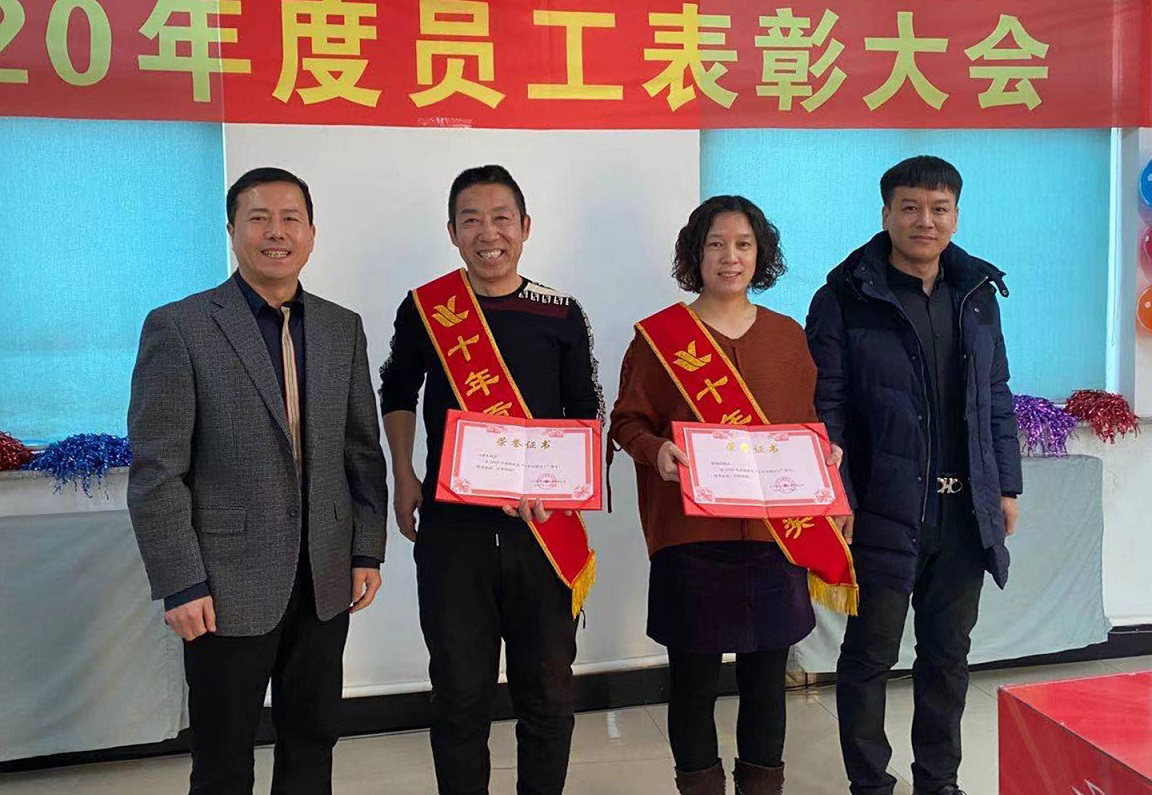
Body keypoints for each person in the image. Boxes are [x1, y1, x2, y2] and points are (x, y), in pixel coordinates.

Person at [127, 167, 390, 795]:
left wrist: (366, 549)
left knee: (313, 742)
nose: (277, 232)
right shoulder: (180, 326)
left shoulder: (341, 327)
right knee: (222, 758)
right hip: (223, 583)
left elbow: (361, 450)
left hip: (325, 577)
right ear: (232, 231)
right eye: (259, 218)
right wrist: (181, 582)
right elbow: (157, 470)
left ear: (311, 233)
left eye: (290, 218)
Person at [610, 195, 849, 795]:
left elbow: (807, 428)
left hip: (774, 540)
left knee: (767, 683)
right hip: (690, 540)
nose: (730, 257)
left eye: (743, 244)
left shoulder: (788, 338)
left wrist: (826, 467)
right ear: (696, 254)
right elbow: (627, 422)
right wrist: (656, 451)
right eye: (716, 244)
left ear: (760, 254)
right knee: (692, 684)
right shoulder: (658, 339)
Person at [378, 164, 602, 795]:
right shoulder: (427, 308)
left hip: (543, 531)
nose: (488, 233)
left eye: (501, 218)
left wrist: (563, 488)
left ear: (525, 227)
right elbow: (396, 391)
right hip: (453, 532)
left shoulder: (561, 313)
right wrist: (403, 472)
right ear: (452, 232)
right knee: (458, 695)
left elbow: (587, 412)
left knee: (548, 695)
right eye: (470, 219)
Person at [805, 156, 1022, 795]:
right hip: (883, 505)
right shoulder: (845, 297)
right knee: (869, 654)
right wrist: (837, 495)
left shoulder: (977, 295)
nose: (924, 221)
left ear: (955, 215)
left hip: (965, 510)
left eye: (938, 209)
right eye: (910, 208)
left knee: (947, 655)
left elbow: (997, 396)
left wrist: (1006, 487)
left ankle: (939, 779)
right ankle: (870, 782)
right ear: (886, 214)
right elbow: (827, 407)